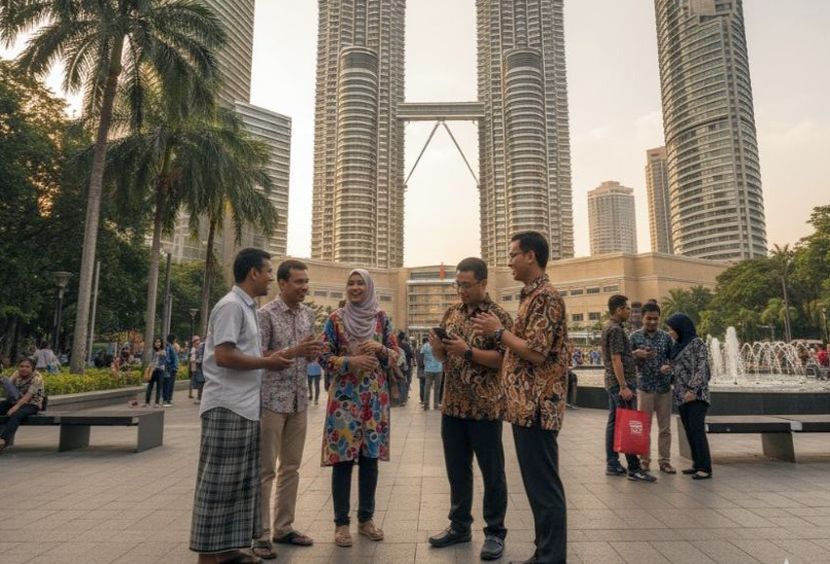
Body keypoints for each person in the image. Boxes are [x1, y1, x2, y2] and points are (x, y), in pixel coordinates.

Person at [190, 248, 293, 564]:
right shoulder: (231, 306)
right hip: (227, 407)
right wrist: (268, 362)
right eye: (268, 271)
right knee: (218, 485)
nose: (271, 278)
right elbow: (224, 356)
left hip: (245, 408)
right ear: (253, 273)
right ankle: (207, 556)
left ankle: (229, 550)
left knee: (238, 484)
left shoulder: (247, 307)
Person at [472, 231, 568, 564]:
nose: (509, 261)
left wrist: (498, 332)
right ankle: (544, 553)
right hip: (525, 406)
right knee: (537, 486)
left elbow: (537, 352)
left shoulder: (545, 297)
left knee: (544, 487)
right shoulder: (532, 296)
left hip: (537, 405)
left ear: (530, 256)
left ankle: (551, 558)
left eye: (513, 254)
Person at [427, 257, 512, 561]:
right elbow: (443, 358)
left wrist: (468, 351)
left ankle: (495, 532)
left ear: (483, 283)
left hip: (484, 408)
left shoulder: (497, 316)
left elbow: (505, 359)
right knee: (457, 471)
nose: (461, 290)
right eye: (458, 285)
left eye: (466, 285)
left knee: (492, 473)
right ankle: (460, 525)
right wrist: (438, 348)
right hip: (452, 406)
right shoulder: (452, 312)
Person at [320, 269, 398, 548]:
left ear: (369, 288)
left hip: (374, 402)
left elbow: (397, 356)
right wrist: (349, 362)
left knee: (369, 460)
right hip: (344, 401)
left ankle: (366, 520)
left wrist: (380, 348)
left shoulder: (381, 318)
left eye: (360, 284)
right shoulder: (335, 319)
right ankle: (341, 524)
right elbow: (323, 355)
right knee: (342, 462)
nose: (355, 288)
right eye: (351, 283)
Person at [254, 260, 322, 560]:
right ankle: (260, 534)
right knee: (266, 469)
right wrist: (294, 351)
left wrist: (313, 352)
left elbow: (307, 354)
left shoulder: (308, 314)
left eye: (306, 281)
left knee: (291, 467)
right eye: (299, 282)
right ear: (282, 284)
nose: (304, 287)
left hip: (299, 400)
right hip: (271, 400)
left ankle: (283, 527)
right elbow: (258, 354)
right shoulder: (265, 314)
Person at [601, 294, 656, 482]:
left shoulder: (608, 326)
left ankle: (612, 463)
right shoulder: (616, 329)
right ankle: (634, 468)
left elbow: (618, 355)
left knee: (614, 423)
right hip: (621, 384)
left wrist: (634, 354)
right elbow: (615, 359)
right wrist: (623, 386)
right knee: (628, 424)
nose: (629, 312)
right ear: (618, 310)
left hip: (612, 381)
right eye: (626, 308)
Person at [662, 313, 713, 480]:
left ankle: (705, 468)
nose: (669, 332)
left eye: (671, 329)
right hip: (681, 396)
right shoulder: (677, 345)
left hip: (696, 396)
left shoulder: (697, 343)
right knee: (689, 431)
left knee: (697, 431)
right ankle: (696, 464)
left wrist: (692, 389)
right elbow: (679, 368)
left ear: (680, 328)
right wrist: (668, 370)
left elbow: (702, 368)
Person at [630, 301, 676, 474]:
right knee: (644, 427)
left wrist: (668, 366)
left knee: (665, 428)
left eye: (655, 319)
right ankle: (644, 461)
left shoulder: (666, 338)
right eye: (649, 318)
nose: (652, 322)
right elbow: (625, 360)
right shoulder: (634, 337)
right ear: (642, 318)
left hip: (664, 389)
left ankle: (665, 461)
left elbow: (674, 358)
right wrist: (636, 354)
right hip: (645, 388)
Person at [0, 358, 46, 451]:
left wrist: (15, 408)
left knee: (17, 414)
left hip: (32, 404)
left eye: (27, 367)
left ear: (32, 368)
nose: (24, 369)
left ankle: (3, 440)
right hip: (16, 400)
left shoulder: (37, 377)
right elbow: (10, 388)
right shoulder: (17, 374)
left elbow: (29, 396)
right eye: (21, 366)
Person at [421, 334, 443, 410]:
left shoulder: (425, 346)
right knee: (437, 388)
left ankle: (426, 404)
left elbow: (422, 356)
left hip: (428, 369)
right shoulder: (440, 345)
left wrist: (425, 363)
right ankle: (436, 405)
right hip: (438, 369)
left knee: (427, 387)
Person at [144, 337, 166, 408]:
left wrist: (154, 365)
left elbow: (162, 362)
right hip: (152, 371)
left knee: (159, 387)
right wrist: (149, 367)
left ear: (161, 343)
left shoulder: (163, 352)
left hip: (160, 371)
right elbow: (151, 361)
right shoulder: (152, 351)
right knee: (150, 386)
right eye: (156, 342)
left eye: (159, 342)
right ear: (154, 343)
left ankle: (157, 403)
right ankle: (147, 402)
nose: (157, 343)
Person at [163, 334, 179, 406]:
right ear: (173, 339)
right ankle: (167, 399)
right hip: (171, 369)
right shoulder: (169, 347)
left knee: (170, 384)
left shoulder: (171, 347)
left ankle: (168, 399)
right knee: (169, 384)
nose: (176, 341)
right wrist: (170, 366)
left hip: (172, 368)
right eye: (175, 339)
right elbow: (168, 358)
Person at [189, 336, 205, 403]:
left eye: (198, 342)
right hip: (198, 367)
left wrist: (196, 361)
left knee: (201, 383)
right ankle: (199, 397)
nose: (197, 343)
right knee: (200, 382)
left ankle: (200, 398)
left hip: (201, 367)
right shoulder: (195, 349)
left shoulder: (202, 346)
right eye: (195, 342)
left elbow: (200, 358)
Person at [416, 338, 426, 404]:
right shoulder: (430, 348)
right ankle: (425, 400)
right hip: (428, 369)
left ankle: (422, 400)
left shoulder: (418, 349)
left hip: (421, 369)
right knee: (426, 385)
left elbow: (418, 360)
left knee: (422, 385)